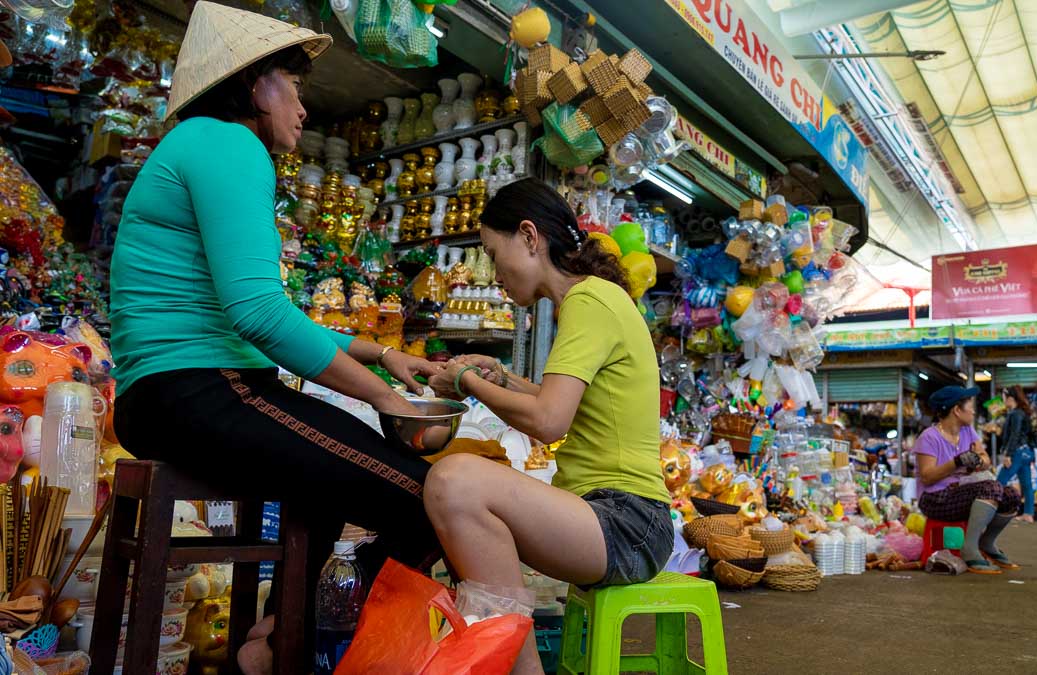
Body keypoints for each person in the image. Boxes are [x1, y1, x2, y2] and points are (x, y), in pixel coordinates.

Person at [108, 4, 446, 671]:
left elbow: (265, 311)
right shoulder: (230, 144)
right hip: (202, 389)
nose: (303, 108)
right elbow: (260, 316)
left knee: (326, 484)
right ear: (257, 83)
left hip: (174, 393)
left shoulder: (198, 145)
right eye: (296, 86)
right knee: (432, 500)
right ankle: (330, 652)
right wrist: (390, 400)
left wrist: (378, 352)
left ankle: (267, 646)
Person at [423, 178, 673, 673]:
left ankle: (520, 669)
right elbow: (559, 403)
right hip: (612, 517)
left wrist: (470, 381)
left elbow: (548, 420)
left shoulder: (589, 301)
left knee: (454, 483)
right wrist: (503, 378)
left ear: (530, 236)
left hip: (628, 523)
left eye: (495, 255)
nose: (495, 274)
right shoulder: (587, 301)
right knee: (457, 489)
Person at [914, 386, 1021, 575]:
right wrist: (956, 462)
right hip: (935, 498)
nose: (973, 410)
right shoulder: (929, 437)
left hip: (961, 492)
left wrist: (979, 461)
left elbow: (985, 459)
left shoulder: (967, 431)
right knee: (991, 488)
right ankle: (969, 549)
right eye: (970, 406)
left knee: (1011, 495)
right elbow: (927, 476)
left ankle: (986, 543)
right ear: (957, 410)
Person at [995, 385, 1037, 523]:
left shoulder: (1015, 413)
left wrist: (1008, 454)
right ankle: (1028, 514)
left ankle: (991, 512)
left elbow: (1015, 434)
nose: (1003, 400)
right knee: (1027, 485)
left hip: (1017, 452)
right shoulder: (1021, 413)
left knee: (1000, 482)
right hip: (1026, 452)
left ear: (1010, 398)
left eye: (1004, 397)